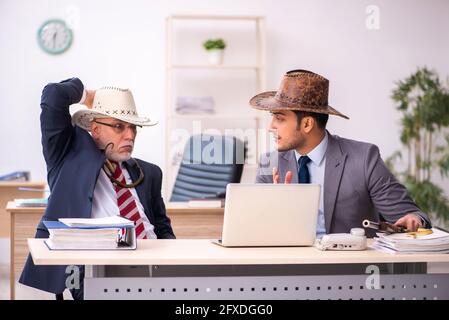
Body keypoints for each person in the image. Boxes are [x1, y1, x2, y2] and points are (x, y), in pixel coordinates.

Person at [19, 77, 175, 300]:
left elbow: (162, 228)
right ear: (95, 129)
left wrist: (174, 261)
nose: (129, 135)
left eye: (133, 127)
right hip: (98, 267)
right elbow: (53, 94)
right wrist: (87, 96)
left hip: (153, 263)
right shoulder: (66, 159)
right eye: (119, 126)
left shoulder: (149, 172)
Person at [250, 69, 431, 238]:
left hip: (350, 268)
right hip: (290, 266)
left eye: (279, 118)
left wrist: (412, 219)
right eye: (272, 117)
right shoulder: (270, 163)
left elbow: (411, 215)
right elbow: (255, 229)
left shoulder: (364, 159)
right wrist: (274, 208)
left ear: (307, 124)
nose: (270, 126)